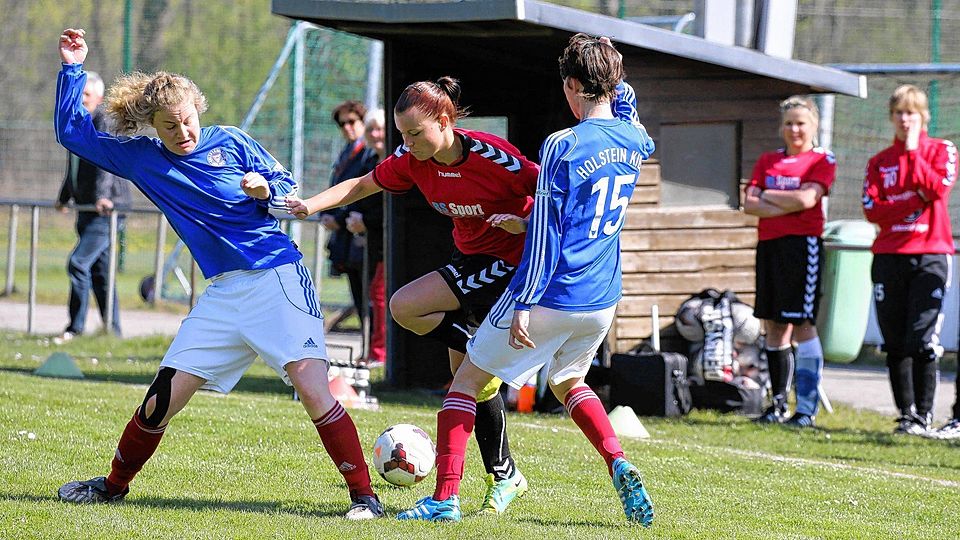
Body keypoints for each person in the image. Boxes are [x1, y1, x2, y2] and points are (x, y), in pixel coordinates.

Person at [53, 28, 383, 519]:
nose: (182, 133)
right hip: (224, 293)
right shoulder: (143, 159)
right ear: (152, 126)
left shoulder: (230, 141)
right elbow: (72, 133)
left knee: (313, 389)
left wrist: (263, 189)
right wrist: (72, 69)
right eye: (169, 126)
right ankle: (112, 486)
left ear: (198, 110)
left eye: (186, 121)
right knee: (160, 400)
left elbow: (287, 189)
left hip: (277, 278)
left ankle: (365, 499)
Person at [394, 34, 656, 524]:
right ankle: (617, 460)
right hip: (602, 298)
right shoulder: (634, 138)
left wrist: (525, 301)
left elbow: (550, 235)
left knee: (466, 382)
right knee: (569, 381)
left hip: (552, 293)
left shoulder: (562, 144)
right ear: (615, 83)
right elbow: (627, 106)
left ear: (571, 85)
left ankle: (444, 500)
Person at [288, 76, 539, 515]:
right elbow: (364, 184)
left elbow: (552, 196)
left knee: (406, 306)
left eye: (415, 133)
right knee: (470, 385)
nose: (407, 143)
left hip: (512, 265)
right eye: (402, 134)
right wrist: (311, 204)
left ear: (444, 122)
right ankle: (503, 474)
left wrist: (524, 223)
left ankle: (454, 494)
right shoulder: (412, 158)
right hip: (472, 260)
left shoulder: (493, 157)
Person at [862, 84, 956, 436]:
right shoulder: (879, 161)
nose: (905, 119)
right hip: (888, 255)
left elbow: (936, 190)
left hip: (930, 254)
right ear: (891, 117)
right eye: (900, 112)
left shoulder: (941, 150)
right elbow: (873, 210)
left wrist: (915, 153)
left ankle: (925, 415)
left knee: (921, 338)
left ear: (924, 117)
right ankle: (906, 415)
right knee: (895, 340)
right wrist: (912, 200)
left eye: (912, 112)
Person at [743, 96, 835, 428]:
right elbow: (749, 205)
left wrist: (768, 195)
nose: (795, 129)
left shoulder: (821, 159)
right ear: (781, 127)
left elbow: (807, 198)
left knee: (803, 325)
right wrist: (787, 202)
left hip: (803, 248)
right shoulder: (768, 160)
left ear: (814, 125)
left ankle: (806, 409)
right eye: (789, 123)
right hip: (769, 247)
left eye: (801, 122)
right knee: (774, 327)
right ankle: (777, 404)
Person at [54, 70, 132, 342]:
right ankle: (113, 331)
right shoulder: (77, 123)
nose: (82, 99)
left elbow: (105, 164)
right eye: (80, 93)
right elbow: (73, 166)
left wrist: (102, 196)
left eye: (87, 94)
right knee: (100, 272)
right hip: (87, 208)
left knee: (78, 263)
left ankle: (74, 328)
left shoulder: (102, 121)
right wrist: (65, 197)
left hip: (106, 209)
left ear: (99, 97)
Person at [322, 100, 378, 330]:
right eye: (342, 123)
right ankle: (371, 344)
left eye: (352, 121)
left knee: (373, 295)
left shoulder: (369, 153)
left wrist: (339, 218)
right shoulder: (346, 153)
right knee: (358, 292)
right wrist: (328, 214)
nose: (347, 127)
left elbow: (361, 192)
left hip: (365, 234)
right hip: (347, 239)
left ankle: (376, 347)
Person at [344, 109, 387, 366]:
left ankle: (381, 353)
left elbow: (391, 209)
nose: (375, 134)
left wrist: (365, 221)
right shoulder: (369, 163)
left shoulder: (395, 161)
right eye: (371, 129)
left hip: (390, 245)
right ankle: (375, 350)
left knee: (380, 294)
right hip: (373, 243)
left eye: (379, 129)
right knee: (374, 294)